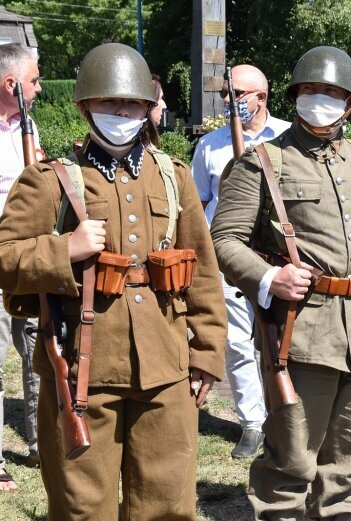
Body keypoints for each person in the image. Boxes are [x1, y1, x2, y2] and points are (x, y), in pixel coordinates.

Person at [0, 43, 227, 518]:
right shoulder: (49, 180)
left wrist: (206, 352)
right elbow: (4, 257)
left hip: (166, 367)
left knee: (166, 505)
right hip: (85, 370)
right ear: (85, 107)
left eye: (131, 103)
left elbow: (202, 271)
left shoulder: (174, 178)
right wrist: (66, 249)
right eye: (108, 102)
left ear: (148, 108)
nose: (121, 112)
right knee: (84, 507)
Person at [211, 45, 351, 520]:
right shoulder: (263, 161)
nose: (321, 99)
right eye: (312, 90)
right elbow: (223, 238)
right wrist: (269, 276)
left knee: (348, 462)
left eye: (333, 92)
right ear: (295, 95)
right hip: (302, 334)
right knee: (292, 460)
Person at [192, 64, 290, 459]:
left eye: (238, 95)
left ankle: (286, 416)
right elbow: (199, 206)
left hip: (279, 262)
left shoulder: (289, 138)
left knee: (282, 342)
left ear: (261, 97)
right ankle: (253, 422)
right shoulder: (210, 146)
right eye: (226, 96)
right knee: (235, 341)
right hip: (228, 261)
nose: (231, 103)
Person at [0, 42, 42, 492]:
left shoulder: (26, 128)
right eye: (33, 80)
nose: (38, 88)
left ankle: (39, 443)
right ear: (10, 84)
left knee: (38, 355)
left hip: (28, 257)